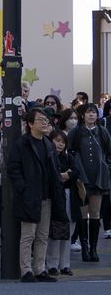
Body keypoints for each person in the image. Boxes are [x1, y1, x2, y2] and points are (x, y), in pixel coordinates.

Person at [7, 108, 68, 282]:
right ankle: (26, 270)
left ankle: (39, 269)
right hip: (29, 195)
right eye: (40, 120)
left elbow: (55, 168)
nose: (45, 122)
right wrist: (23, 188)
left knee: (42, 235)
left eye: (46, 120)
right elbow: (13, 168)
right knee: (28, 235)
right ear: (30, 123)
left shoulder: (48, 144)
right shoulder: (22, 143)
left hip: (47, 195)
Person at [69, 103, 110, 263]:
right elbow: (68, 151)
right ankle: (84, 248)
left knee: (95, 214)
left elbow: (109, 152)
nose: (91, 115)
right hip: (82, 179)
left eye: (93, 112)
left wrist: (107, 167)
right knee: (82, 214)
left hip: (98, 178)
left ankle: (93, 248)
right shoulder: (76, 132)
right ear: (83, 115)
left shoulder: (102, 131)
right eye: (88, 112)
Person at [45, 129, 76, 277]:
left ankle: (65, 264)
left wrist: (66, 175)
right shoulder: (47, 156)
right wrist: (64, 175)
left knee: (67, 229)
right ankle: (52, 264)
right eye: (57, 141)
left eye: (63, 142)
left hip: (68, 195)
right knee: (54, 230)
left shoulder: (68, 157)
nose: (60, 144)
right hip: (53, 196)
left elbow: (76, 173)